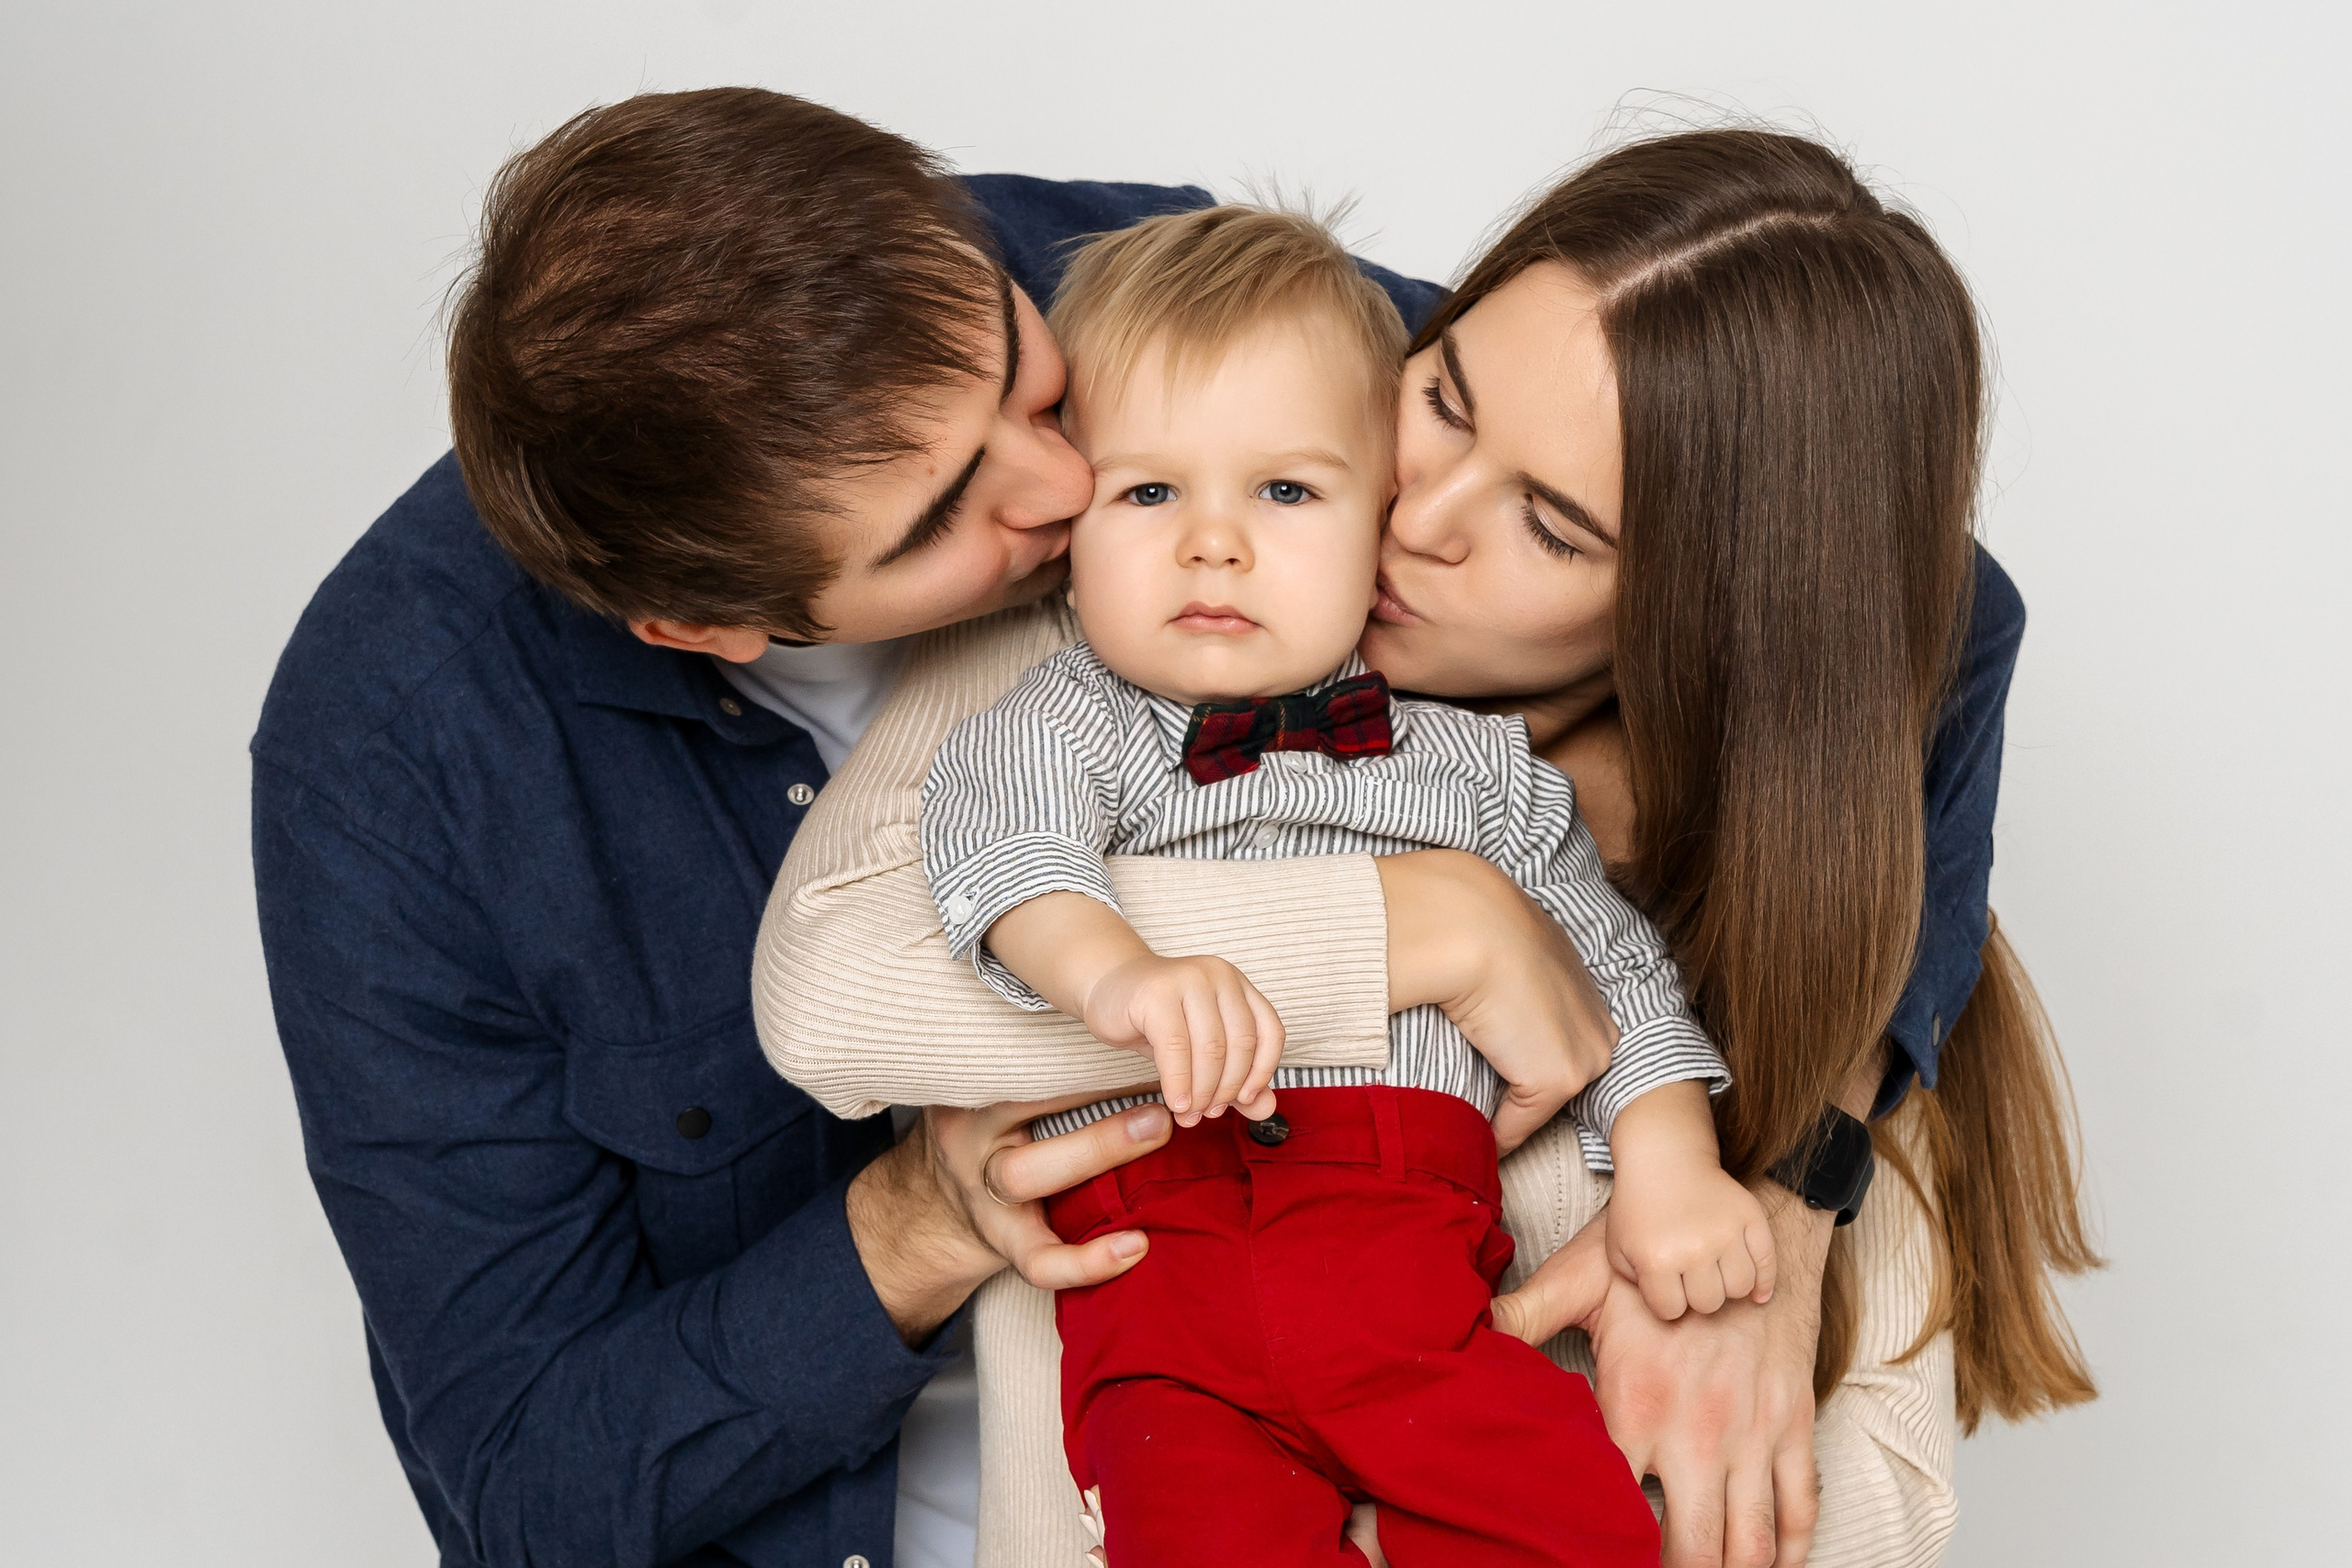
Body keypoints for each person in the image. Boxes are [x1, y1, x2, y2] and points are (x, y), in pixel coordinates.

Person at [252, 86, 1613, 1568]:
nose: (1068, 480)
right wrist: (917, 1222)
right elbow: (530, 1489)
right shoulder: (398, 758)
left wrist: (1798, 1204)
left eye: (1029, 388)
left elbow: (1808, 546)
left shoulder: (1109, 276)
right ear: (705, 624)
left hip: (1406, 1350)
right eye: (942, 514)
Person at [755, 130, 2099, 1567]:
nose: (1422, 518)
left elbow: (1861, 1507)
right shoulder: (1125, 634)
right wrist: (1431, 925)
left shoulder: (1787, 964)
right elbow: (841, 989)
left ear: (1704, 614)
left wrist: (1754, 1254)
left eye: (1554, 526)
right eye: (1443, 398)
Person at [914, 203, 1770, 1564]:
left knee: (1577, 1531)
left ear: (1379, 515)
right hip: (1160, 1266)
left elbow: (1609, 968)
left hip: (1413, 1269)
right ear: (1069, 528)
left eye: (1286, 493)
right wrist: (1120, 974)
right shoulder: (1057, 717)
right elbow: (1006, 859)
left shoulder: (1480, 770)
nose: (1213, 544)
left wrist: (1669, 1159)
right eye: (1148, 494)